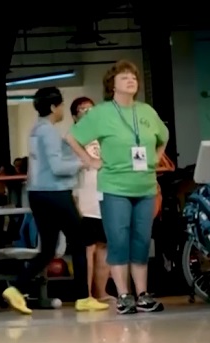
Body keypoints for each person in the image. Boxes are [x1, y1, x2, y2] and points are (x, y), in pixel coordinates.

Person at [66, 60, 168, 314]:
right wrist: (90, 160)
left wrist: (156, 157)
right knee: (118, 239)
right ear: (112, 85)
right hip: (114, 186)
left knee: (141, 240)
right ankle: (124, 294)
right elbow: (72, 137)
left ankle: (142, 294)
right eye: (124, 78)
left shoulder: (146, 112)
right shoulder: (100, 113)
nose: (130, 80)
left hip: (144, 185)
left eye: (133, 77)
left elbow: (162, 137)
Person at [2, 87, 109, 315]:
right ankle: (83, 297)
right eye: (60, 105)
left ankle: (16, 288)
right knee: (80, 242)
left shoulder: (36, 130)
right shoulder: (48, 131)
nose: (62, 109)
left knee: (48, 249)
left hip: (37, 194)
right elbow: (58, 167)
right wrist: (87, 162)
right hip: (55, 193)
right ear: (53, 107)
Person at [70, 97, 110, 300]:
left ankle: (101, 292)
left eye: (90, 109)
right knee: (88, 248)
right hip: (83, 198)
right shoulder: (72, 139)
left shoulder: (103, 136)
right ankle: (85, 295)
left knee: (104, 246)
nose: (87, 112)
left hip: (105, 196)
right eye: (82, 109)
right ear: (75, 116)